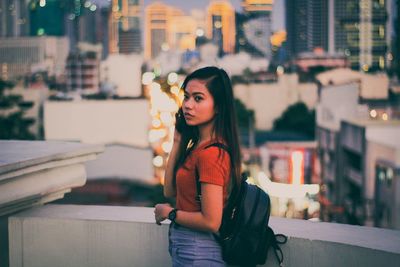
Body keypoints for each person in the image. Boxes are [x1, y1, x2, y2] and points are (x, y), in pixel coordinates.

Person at [154, 66, 242, 266]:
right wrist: (178, 142)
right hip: (189, 248)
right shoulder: (198, 148)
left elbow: (211, 221)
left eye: (198, 98)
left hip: (199, 252)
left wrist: (170, 213)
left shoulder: (211, 154)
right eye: (186, 97)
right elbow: (169, 190)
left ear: (218, 106)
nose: (188, 105)